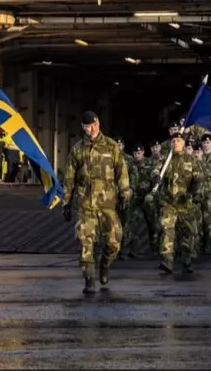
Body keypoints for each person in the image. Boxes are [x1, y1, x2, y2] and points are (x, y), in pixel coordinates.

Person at [61, 111, 131, 294]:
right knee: (85, 241)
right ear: (83, 127)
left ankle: (105, 264)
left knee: (114, 241)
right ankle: (89, 278)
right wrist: (66, 203)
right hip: (86, 204)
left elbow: (121, 172)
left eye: (93, 125)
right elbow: (69, 178)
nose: (91, 129)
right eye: (87, 127)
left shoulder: (111, 146)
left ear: (98, 123)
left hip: (108, 203)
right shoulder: (78, 149)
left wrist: (125, 194)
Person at [153, 132, 203, 275]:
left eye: (178, 141)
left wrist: (195, 192)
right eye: (173, 141)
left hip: (185, 203)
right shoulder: (165, 159)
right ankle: (167, 261)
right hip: (168, 201)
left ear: (183, 143)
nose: (176, 143)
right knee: (167, 229)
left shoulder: (191, 160)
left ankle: (186, 261)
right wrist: (156, 177)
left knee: (188, 233)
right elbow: (156, 170)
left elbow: (199, 178)